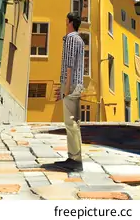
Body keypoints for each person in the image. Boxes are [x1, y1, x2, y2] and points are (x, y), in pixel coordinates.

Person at [54, 11, 85, 172]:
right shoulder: (80, 40)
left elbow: (69, 64)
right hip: (76, 84)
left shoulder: (71, 39)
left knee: (71, 123)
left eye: (66, 21)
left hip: (71, 85)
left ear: (71, 23)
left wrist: (65, 88)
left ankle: (75, 160)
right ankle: (73, 157)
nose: (65, 24)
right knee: (73, 122)